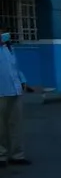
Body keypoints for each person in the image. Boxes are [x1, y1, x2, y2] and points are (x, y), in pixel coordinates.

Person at [0, 30, 32, 167]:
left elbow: (15, 68)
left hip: (15, 90)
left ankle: (17, 155)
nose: (4, 35)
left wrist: (22, 80)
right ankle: (1, 155)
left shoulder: (9, 48)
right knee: (1, 126)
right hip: (2, 91)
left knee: (16, 124)